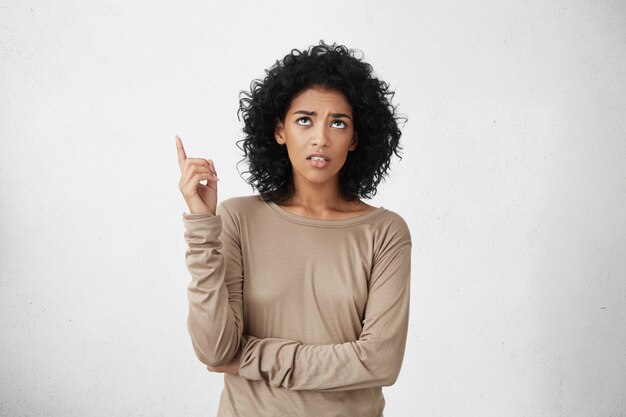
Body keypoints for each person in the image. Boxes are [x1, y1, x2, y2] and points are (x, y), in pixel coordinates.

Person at [175, 41, 412, 417]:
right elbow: (215, 350)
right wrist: (203, 225)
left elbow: (379, 362)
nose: (321, 137)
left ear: (354, 138)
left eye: (338, 122)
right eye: (305, 119)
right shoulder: (238, 218)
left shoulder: (384, 232)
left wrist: (249, 356)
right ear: (279, 130)